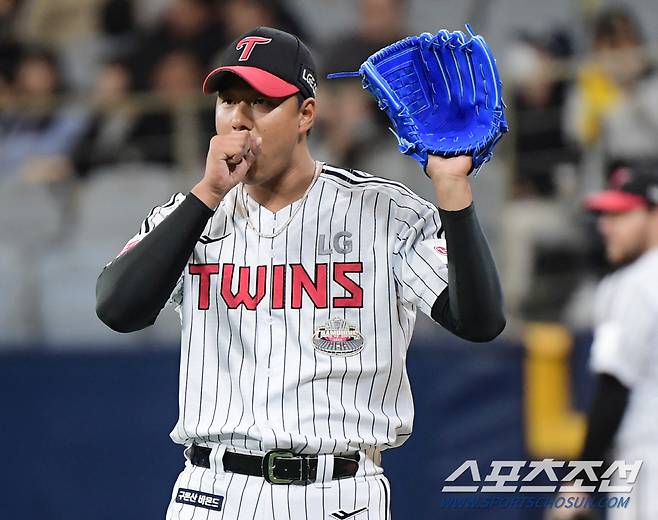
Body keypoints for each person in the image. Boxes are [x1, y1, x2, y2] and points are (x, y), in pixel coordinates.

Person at [95, 27, 505, 518]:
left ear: (306, 113)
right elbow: (117, 309)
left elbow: (480, 322)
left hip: (340, 492)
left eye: (262, 102)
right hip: (212, 490)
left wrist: (452, 188)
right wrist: (206, 194)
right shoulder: (189, 218)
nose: (240, 120)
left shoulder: (384, 212)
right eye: (228, 101)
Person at [553, 162, 658, 519]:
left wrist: (580, 482)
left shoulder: (631, 285)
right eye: (604, 215)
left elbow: (613, 389)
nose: (605, 226)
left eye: (621, 215)